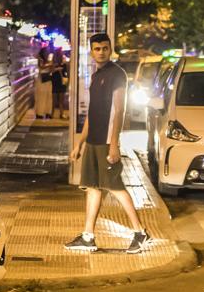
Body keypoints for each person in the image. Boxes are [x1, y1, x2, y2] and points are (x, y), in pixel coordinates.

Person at [64, 33, 149, 253]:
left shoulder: (117, 75)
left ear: (110, 49)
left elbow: (118, 110)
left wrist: (114, 144)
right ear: (91, 51)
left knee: (115, 186)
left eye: (104, 48)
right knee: (92, 188)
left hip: (106, 142)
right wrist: (80, 143)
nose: (101, 51)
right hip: (93, 141)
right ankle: (88, 236)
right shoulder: (95, 76)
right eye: (97, 48)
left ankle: (140, 232)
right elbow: (93, 113)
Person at [35, 47, 54, 119]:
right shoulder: (41, 59)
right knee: (41, 97)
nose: (47, 53)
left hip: (48, 79)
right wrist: (50, 65)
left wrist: (52, 67)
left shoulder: (48, 60)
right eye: (46, 52)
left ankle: (47, 112)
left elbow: (51, 70)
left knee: (48, 96)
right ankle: (40, 112)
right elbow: (41, 67)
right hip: (42, 80)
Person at [51, 49, 69, 119]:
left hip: (57, 82)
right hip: (58, 82)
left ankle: (54, 114)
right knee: (59, 100)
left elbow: (66, 73)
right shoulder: (60, 64)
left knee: (56, 100)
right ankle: (59, 114)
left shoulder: (62, 64)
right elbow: (67, 74)